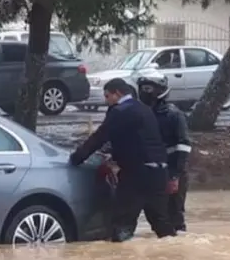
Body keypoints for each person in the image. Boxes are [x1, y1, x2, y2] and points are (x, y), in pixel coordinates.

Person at [69, 78, 176, 242]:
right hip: (159, 173)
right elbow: (140, 139)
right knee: (162, 224)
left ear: (117, 94)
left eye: (107, 96)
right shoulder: (145, 110)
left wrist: (76, 158)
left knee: (122, 224)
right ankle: (175, 256)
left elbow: (99, 137)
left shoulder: (119, 111)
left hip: (136, 175)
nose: (106, 101)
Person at [137, 72, 191, 232]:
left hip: (171, 171)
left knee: (174, 214)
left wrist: (175, 176)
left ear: (160, 90)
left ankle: (177, 248)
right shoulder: (142, 114)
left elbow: (184, 146)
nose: (144, 92)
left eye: (148, 88)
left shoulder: (173, 115)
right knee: (156, 214)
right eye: (141, 88)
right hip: (150, 171)